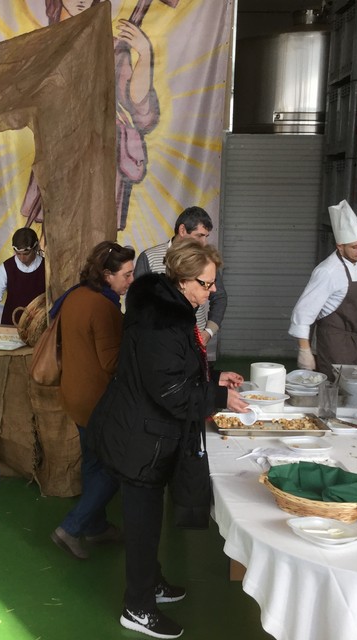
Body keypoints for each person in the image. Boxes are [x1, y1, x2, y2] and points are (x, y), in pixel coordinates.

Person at [94, 238, 248, 639]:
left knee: (149, 523)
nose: (211, 291)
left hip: (150, 434)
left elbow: (177, 370)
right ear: (182, 280)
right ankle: (137, 607)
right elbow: (171, 391)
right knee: (143, 528)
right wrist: (219, 398)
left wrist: (216, 379)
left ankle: (153, 582)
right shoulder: (161, 322)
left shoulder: (170, 308)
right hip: (141, 438)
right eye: (205, 284)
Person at [22, 0, 160, 230]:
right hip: (60, 150)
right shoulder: (45, 46)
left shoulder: (112, 47)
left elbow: (138, 109)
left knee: (96, 235)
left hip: (100, 153)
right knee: (55, 230)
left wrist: (145, 54)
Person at [51, 241, 135, 560]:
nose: (131, 281)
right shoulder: (103, 307)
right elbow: (111, 362)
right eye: (126, 275)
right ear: (107, 275)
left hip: (74, 394)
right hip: (97, 402)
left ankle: (96, 527)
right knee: (116, 466)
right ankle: (71, 528)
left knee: (93, 462)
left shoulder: (75, 295)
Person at [289, 200, 357, 379]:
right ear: (340, 246)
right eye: (356, 246)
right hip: (335, 346)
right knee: (335, 389)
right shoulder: (328, 271)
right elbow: (302, 313)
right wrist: (305, 350)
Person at [134, 207, 227, 351]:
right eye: (199, 236)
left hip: (195, 343)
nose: (204, 243)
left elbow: (219, 296)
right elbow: (138, 303)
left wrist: (208, 332)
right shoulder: (149, 257)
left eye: (206, 236)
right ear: (182, 230)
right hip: (159, 344)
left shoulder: (206, 260)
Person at [0, 228, 45, 325]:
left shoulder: (47, 266)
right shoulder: (6, 267)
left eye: (26, 254)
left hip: (39, 325)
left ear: (35, 247)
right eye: (18, 254)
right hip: (10, 324)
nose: (22, 258)